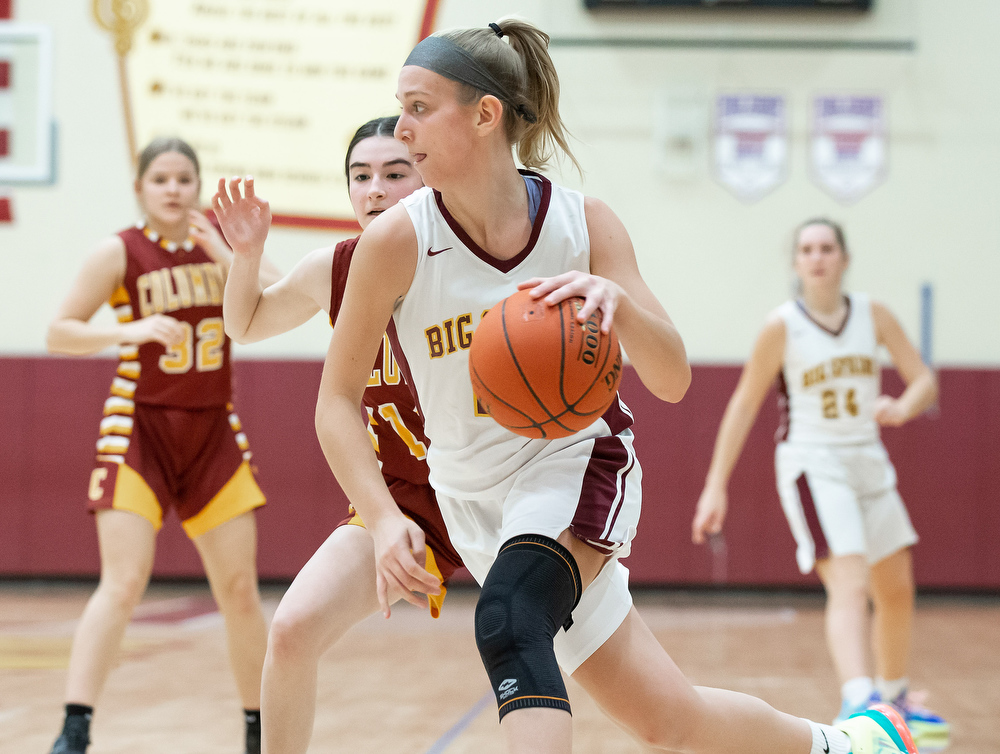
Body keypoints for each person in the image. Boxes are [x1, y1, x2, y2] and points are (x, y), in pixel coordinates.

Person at [305, 19, 917, 754]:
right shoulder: (397, 241)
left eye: (418, 107)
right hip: (470, 496)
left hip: (576, 462)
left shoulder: (580, 224)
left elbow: (674, 378)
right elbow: (335, 402)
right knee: (670, 719)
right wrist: (383, 518)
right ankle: (853, 745)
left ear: (485, 113)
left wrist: (618, 305)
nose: (401, 131)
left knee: (508, 618)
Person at [214, 115, 464, 754]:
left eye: (394, 173)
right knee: (293, 629)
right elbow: (246, 322)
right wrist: (246, 255)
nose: (375, 189)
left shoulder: (471, 261)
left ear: (430, 175)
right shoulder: (338, 266)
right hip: (402, 502)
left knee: (560, 650)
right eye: (361, 176)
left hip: (494, 486)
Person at [45, 137, 282, 754]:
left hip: (212, 430)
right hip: (139, 429)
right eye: (161, 179)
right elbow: (58, 332)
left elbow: (284, 298)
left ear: (196, 186)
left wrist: (231, 255)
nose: (173, 189)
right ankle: (75, 727)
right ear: (141, 188)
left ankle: (259, 728)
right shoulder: (119, 252)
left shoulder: (221, 245)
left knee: (237, 590)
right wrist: (128, 329)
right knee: (123, 582)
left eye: (183, 178)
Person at [692, 218, 948, 747]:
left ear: (844, 258)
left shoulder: (873, 314)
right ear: (796, 263)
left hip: (867, 461)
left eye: (826, 247)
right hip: (813, 464)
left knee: (897, 589)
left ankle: (894, 696)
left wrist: (903, 405)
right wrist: (716, 484)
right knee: (850, 585)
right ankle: (860, 703)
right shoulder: (782, 326)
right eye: (806, 249)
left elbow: (923, 379)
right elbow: (743, 405)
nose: (817, 257)